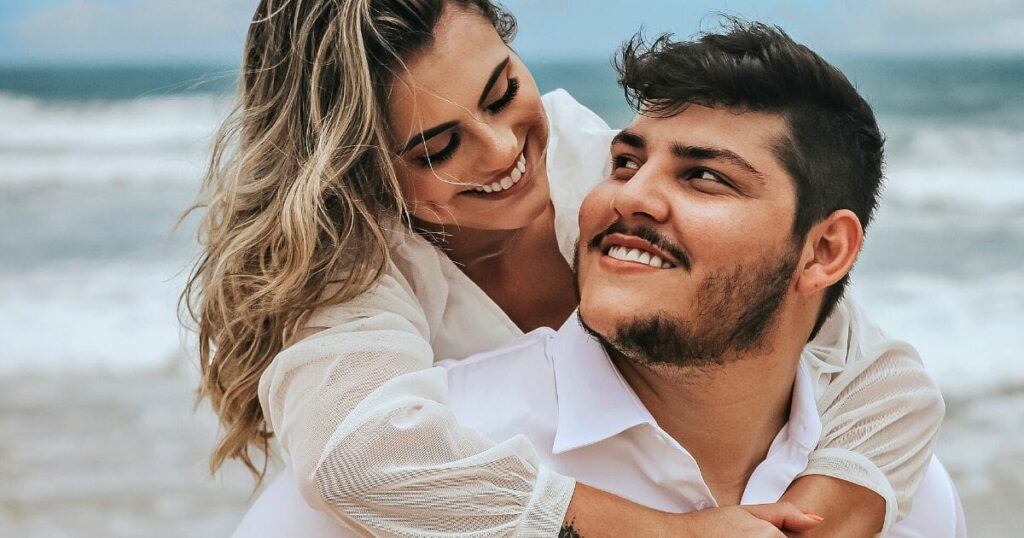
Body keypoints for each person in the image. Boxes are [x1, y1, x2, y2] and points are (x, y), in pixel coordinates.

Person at [185, 0, 944, 535]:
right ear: (361, 173)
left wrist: (832, 508)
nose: (502, 151)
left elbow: (867, 360)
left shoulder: (601, 170)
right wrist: (664, 534)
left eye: (502, 93)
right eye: (438, 147)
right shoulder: (352, 271)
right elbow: (359, 460)